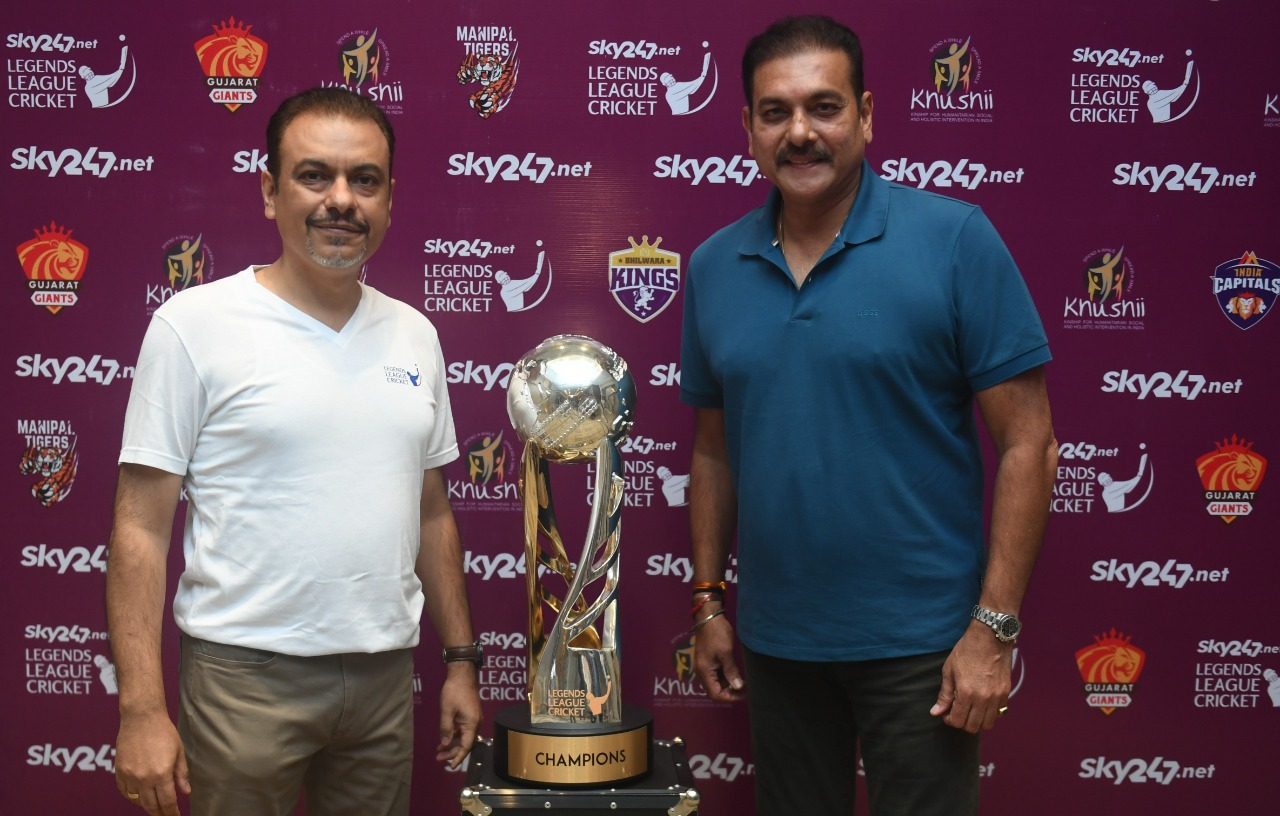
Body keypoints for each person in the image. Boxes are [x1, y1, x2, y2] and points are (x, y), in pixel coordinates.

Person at [679, 16, 1057, 815]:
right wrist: (710, 601)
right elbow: (712, 452)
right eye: (776, 112)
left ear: (867, 115)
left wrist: (993, 630)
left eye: (825, 106)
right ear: (747, 126)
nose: (801, 132)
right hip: (778, 643)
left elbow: (1030, 443)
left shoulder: (955, 239)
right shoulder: (713, 267)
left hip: (924, 646)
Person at [106, 87, 483, 816]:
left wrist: (461, 660)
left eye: (363, 180)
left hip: (381, 683)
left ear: (389, 200)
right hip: (243, 683)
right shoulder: (193, 326)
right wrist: (141, 712)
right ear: (270, 192)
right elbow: (140, 529)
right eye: (315, 176)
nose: (340, 200)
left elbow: (431, 512)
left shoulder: (416, 334)